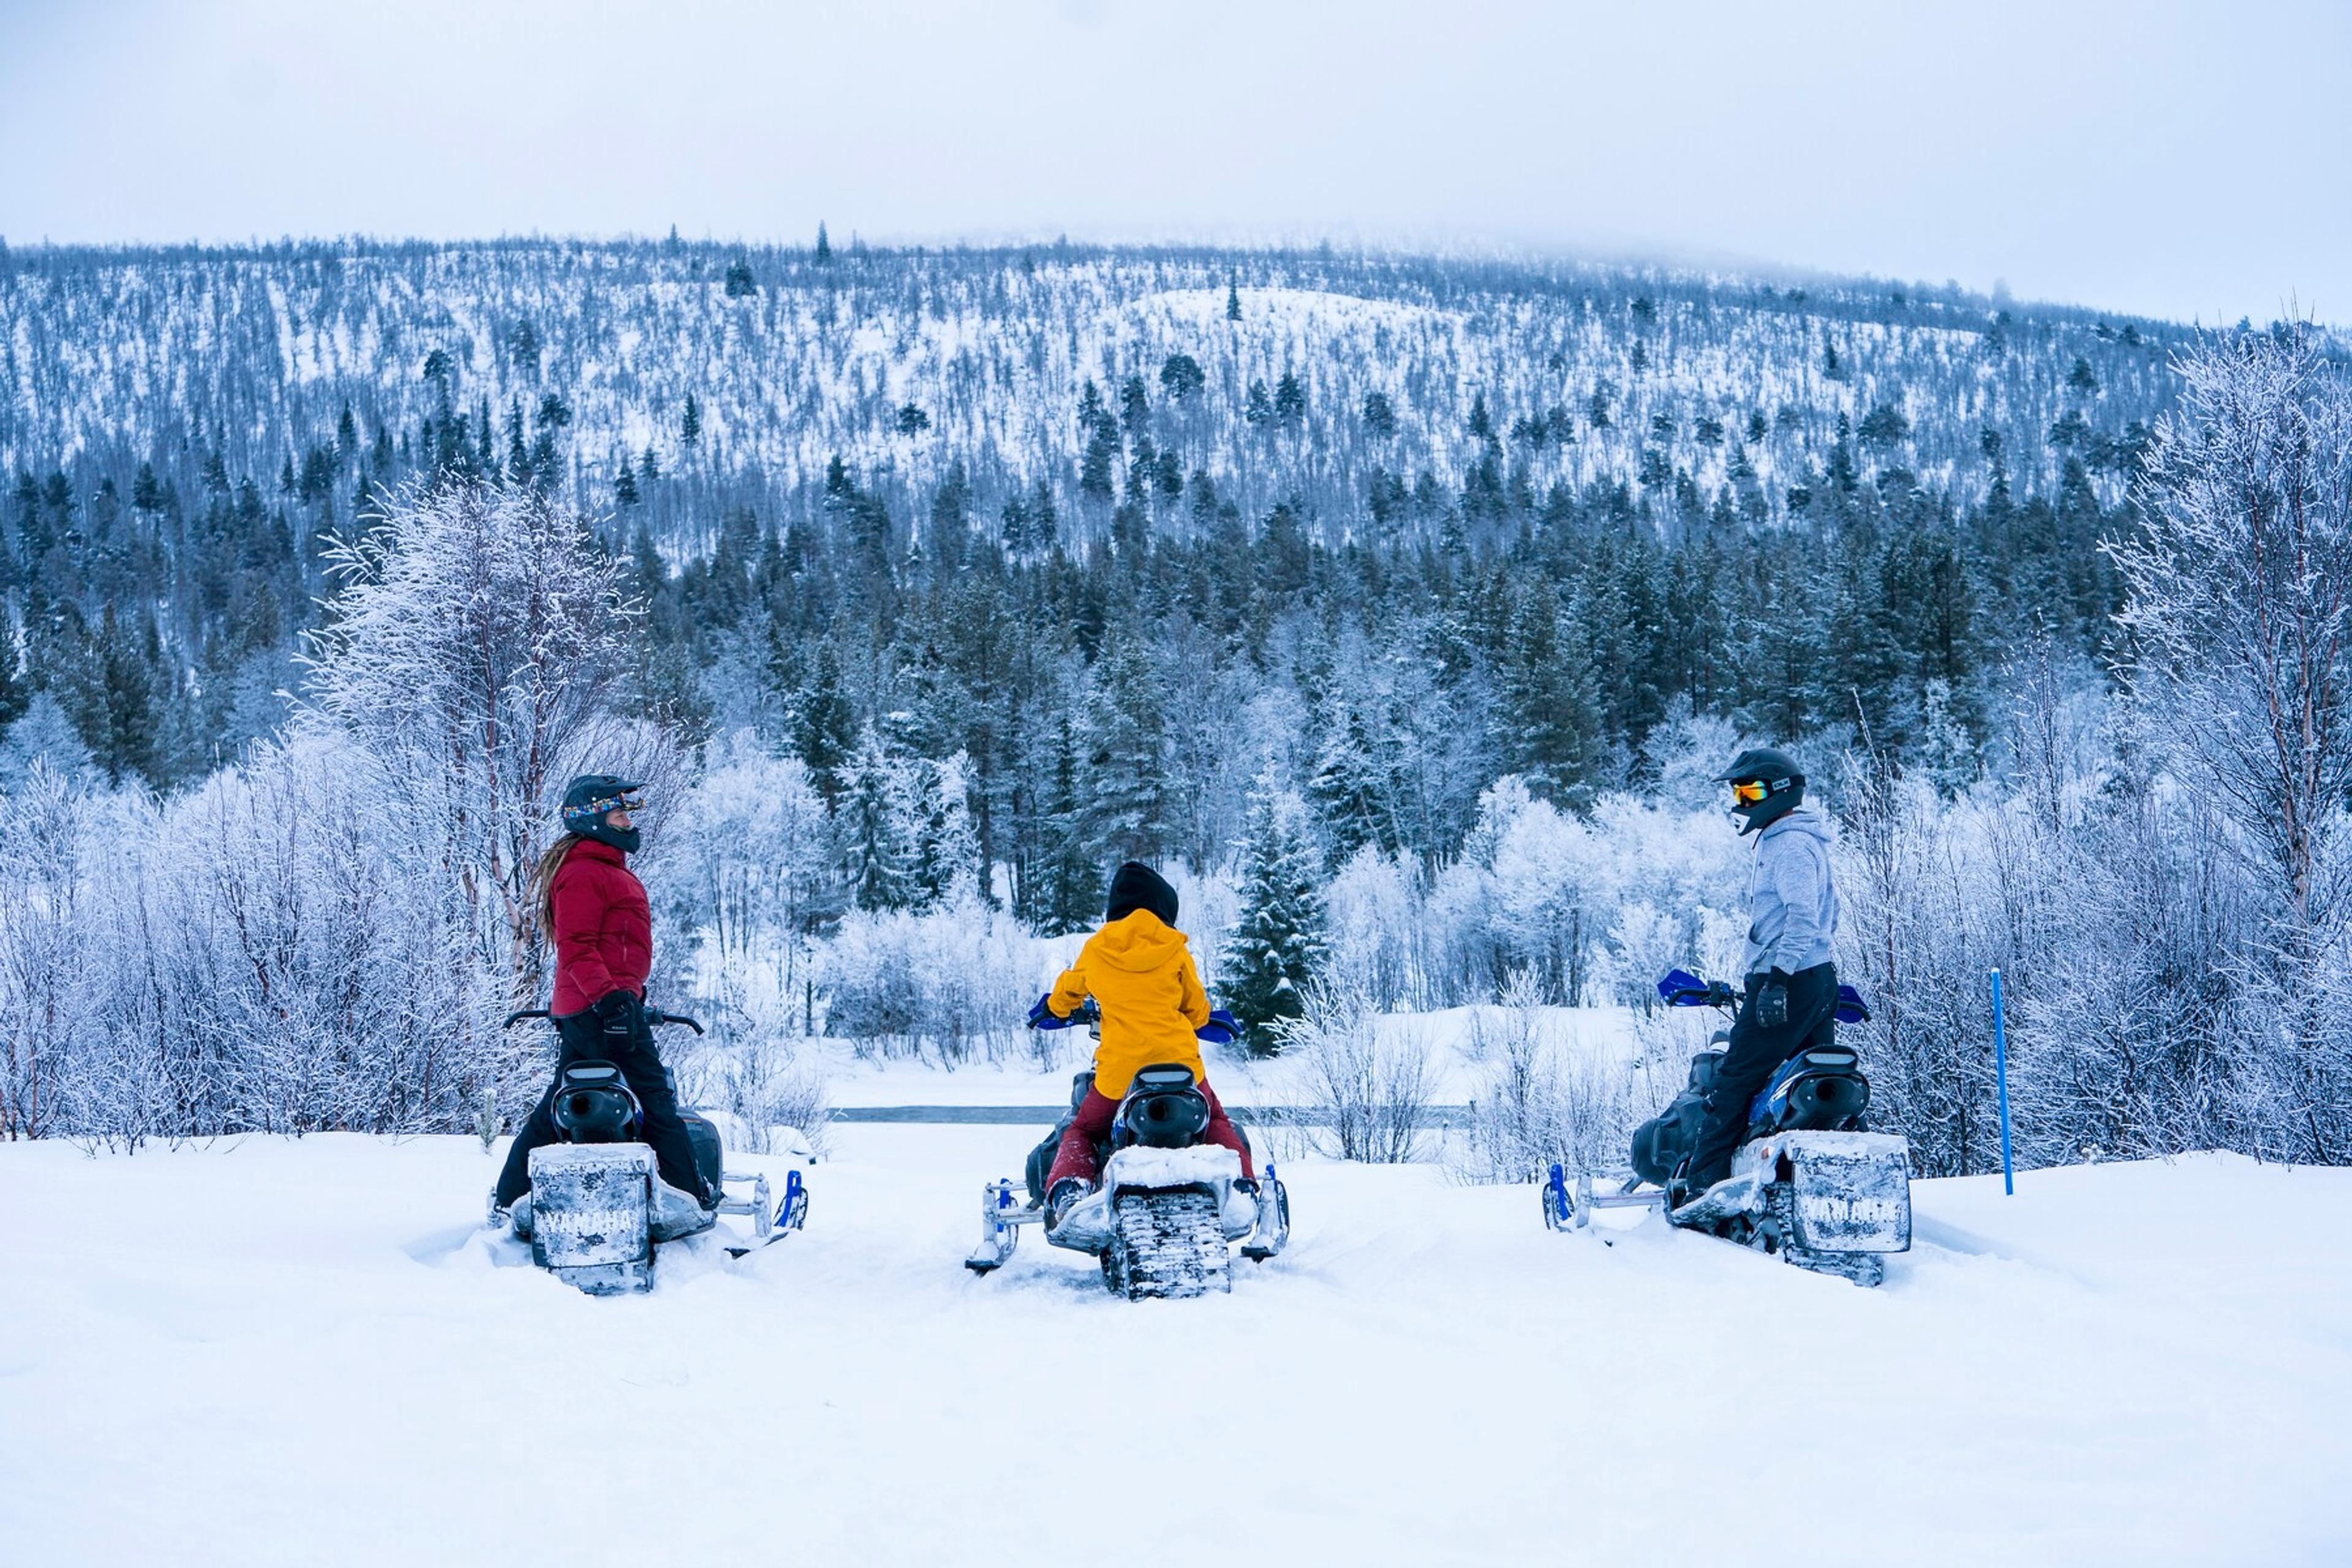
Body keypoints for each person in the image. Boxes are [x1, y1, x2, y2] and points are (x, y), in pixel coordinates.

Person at [493, 774, 712, 1223]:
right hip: (599, 1008)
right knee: (655, 1100)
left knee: (564, 1100)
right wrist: (612, 999)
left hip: (597, 1004)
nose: (628, 822)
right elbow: (578, 945)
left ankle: (509, 1197)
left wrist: (629, 991)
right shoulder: (584, 872)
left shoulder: (600, 868)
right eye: (619, 813)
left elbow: (615, 946)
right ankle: (690, 1199)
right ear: (594, 819)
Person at [1033, 862, 1254, 1225]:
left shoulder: (1097, 948)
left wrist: (1054, 1009)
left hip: (1120, 1076)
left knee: (1083, 1129)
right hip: (1180, 1069)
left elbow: (1067, 993)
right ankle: (1244, 1188)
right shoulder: (1175, 948)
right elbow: (1197, 1011)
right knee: (1215, 1119)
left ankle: (1069, 1190)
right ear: (1163, 908)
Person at [1676, 747, 1842, 1200]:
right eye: (1738, 791)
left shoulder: (1788, 844)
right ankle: (1814, 1185)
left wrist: (1777, 979)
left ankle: (1703, 1189)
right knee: (1806, 1086)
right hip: (1810, 977)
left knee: (1735, 1081)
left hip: (1786, 980)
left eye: (1750, 790)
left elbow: (1803, 917)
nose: (1741, 801)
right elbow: (1828, 915)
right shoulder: (1791, 839)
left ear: (1779, 793)